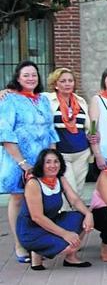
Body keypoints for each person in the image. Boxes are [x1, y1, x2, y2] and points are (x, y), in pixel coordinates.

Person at [0, 60, 59, 263]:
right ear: (18, 78)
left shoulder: (42, 99)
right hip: (18, 159)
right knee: (18, 199)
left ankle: (37, 243)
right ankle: (19, 244)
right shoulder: (9, 99)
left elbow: (50, 130)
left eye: (34, 74)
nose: (31, 78)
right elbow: (5, 132)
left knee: (39, 201)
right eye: (26, 75)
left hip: (41, 159)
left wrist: (53, 158)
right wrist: (22, 163)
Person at [16, 149, 93, 270]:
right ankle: (36, 250)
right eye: (48, 162)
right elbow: (37, 217)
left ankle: (70, 258)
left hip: (52, 222)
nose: (53, 165)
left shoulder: (59, 178)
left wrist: (89, 214)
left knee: (82, 218)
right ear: (41, 164)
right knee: (69, 246)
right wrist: (65, 234)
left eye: (56, 161)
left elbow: (74, 200)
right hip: (31, 230)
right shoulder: (33, 183)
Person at [45, 68, 92, 196]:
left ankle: (75, 215)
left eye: (70, 81)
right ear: (55, 84)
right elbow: (28, 95)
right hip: (61, 153)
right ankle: (67, 214)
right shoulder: (47, 100)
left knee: (79, 189)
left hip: (82, 153)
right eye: (63, 81)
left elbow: (86, 127)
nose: (67, 84)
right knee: (69, 189)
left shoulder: (80, 101)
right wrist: (8, 91)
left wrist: (92, 136)